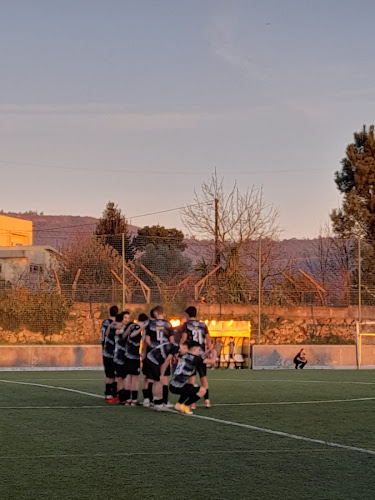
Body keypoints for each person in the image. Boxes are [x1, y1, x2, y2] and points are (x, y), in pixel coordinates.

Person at [179, 306, 212, 408]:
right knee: (204, 379)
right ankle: (207, 401)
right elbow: (208, 339)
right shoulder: (203, 325)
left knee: (191, 380)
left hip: (192, 355)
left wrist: (180, 348)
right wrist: (209, 350)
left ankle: (192, 403)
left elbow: (184, 338)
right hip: (201, 354)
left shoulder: (186, 325)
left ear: (188, 315)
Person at [169, 342, 213, 415]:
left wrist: (206, 353)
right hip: (179, 387)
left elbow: (199, 358)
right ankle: (185, 406)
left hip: (172, 385)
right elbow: (212, 361)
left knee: (190, 386)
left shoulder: (185, 355)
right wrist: (214, 352)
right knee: (202, 390)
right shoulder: (194, 358)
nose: (199, 352)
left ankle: (178, 404)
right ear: (194, 350)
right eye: (198, 350)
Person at [144, 305, 174, 407]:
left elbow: (147, 340)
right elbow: (172, 341)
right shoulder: (168, 324)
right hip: (164, 355)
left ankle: (153, 401)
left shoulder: (151, 324)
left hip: (153, 355)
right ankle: (165, 402)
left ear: (156, 313)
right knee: (164, 378)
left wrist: (154, 347)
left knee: (154, 379)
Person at [143, 341, 184, 410]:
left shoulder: (172, 346)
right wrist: (162, 374)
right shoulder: (176, 347)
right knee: (158, 382)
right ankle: (158, 403)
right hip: (152, 360)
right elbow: (167, 361)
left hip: (150, 358)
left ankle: (156, 402)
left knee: (157, 382)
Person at [123, 313, 149, 406]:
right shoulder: (137, 327)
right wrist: (142, 329)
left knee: (128, 377)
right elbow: (132, 335)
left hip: (127, 355)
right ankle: (134, 399)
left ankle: (127, 399)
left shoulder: (131, 325)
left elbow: (124, 336)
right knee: (134, 378)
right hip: (133, 357)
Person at [103, 311, 126, 404]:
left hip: (108, 354)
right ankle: (114, 395)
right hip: (113, 355)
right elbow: (120, 332)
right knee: (115, 376)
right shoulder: (117, 328)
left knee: (110, 375)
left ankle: (110, 394)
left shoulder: (111, 326)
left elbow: (107, 333)